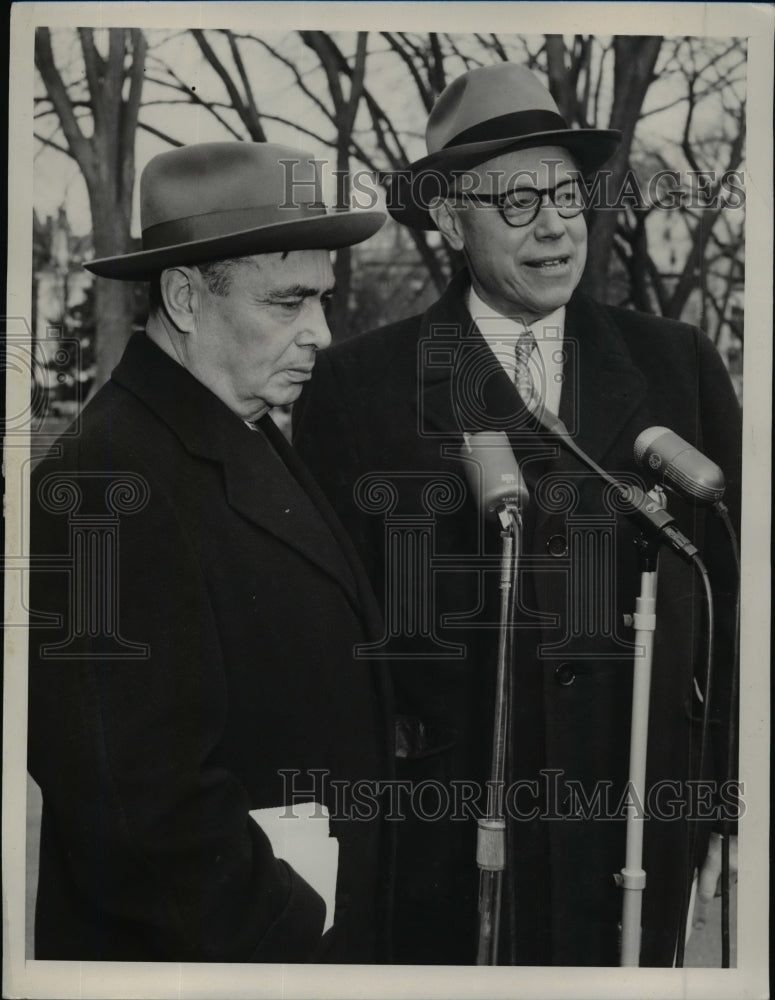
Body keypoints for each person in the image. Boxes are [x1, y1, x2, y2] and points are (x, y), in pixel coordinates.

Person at [293, 64, 741, 966]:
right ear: (451, 219)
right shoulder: (358, 387)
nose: (554, 224)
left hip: (632, 836)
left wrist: (721, 796)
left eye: (567, 195)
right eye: (516, 200)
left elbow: (738, 605)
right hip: (447, 855)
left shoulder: (675, 366)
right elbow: (330, 643)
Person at [27, 141, 395, 963]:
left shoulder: (239, 428)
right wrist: (291, 929)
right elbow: (132, 804)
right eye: (288, 302)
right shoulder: (105, 475)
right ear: (186, 297)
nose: (320, 333)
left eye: (325, 300)